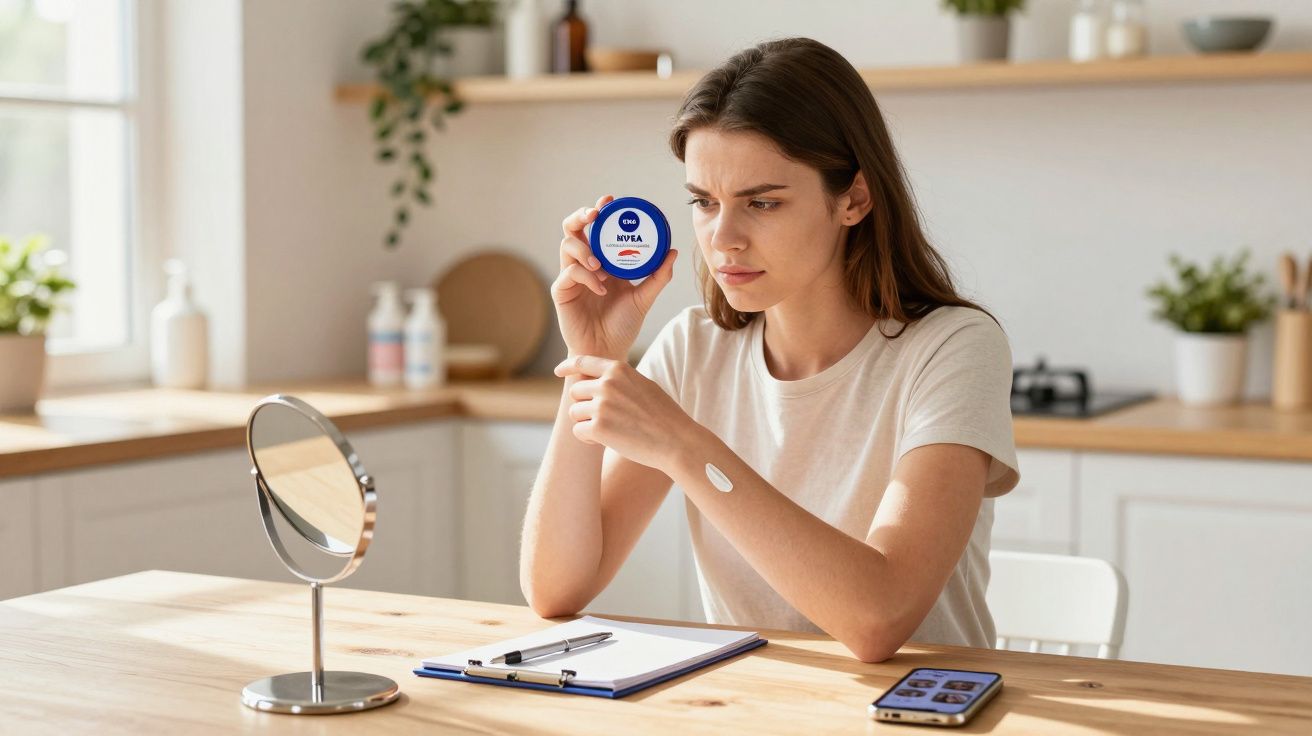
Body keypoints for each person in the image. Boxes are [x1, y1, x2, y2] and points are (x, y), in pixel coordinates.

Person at [519, 37, 1020, 663]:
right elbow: (556, 589)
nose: (723, 238)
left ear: (854, 199)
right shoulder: (696, 349)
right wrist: (590, 360)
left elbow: (878, 619)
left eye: (762, 203)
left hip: (919, 710)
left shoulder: (952, 349)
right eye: (704, 202)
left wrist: (683, 445)